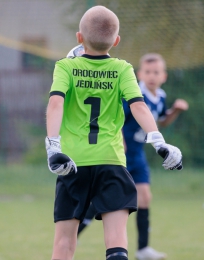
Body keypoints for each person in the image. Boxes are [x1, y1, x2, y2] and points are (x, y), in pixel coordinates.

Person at [45, 6, 182, 260]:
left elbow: (56, 104)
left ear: (79, 37)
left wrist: (53, 146)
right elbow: (139, 106)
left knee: (64, 244)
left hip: (73, 164)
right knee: (117, 246)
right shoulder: (123, 69)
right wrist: (160, 142)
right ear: (116, 41)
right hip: (112, 163)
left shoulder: (65, 67)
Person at [68, 48, 188, 260]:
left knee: (145, 198)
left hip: (137, 156)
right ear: (140, 74)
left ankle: (143, 250)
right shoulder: (134, 92)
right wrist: (120, 140)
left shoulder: (160, 96)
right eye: (148, 72)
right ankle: (70, 237)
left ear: (164, 76)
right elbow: (115, 117)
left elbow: (161, 121)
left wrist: (175, 111)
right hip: (119, 154)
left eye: (156, 72)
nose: (152, 76)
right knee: (100, 201)